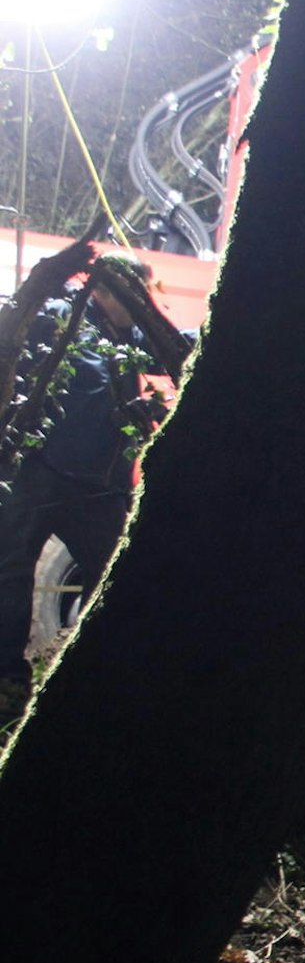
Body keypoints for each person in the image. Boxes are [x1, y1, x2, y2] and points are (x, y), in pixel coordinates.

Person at [0, 263, 163, 697]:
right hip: (39, 470)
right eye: (137, 297)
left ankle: (93, 674)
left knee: (114, 573)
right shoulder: (60, 317)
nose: (144, 307)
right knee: (10, 570)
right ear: (106, 294)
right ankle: (7, 679)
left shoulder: (127, 335)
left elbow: (172, 344)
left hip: (97, 486)